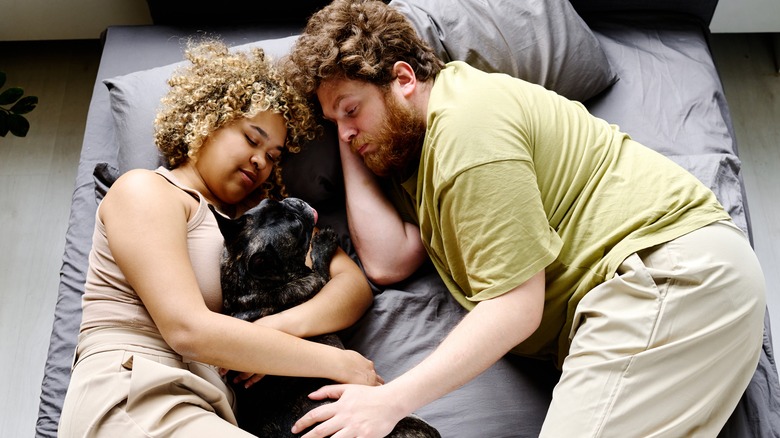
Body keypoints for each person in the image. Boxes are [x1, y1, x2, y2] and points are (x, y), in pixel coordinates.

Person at [282, 1, 768, 437]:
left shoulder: (468, 133)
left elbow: (515, 307)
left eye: (352, 111)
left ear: (404, 79)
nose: (344, 134)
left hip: (665, 278)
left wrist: (390, 401)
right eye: (334, 124)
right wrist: (348, 131)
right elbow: (389, 260)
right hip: (666, 291)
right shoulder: (410, 146)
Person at [58, 39, 380, 437]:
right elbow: (186, 330)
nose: (262, 160)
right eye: (251, 138)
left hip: (204, 403)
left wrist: (277, 329)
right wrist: (336, 363)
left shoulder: (259, 224)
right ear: (208, 119)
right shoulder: (144, 190)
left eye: (274, 155)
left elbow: (352, 286)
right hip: (133, 391)